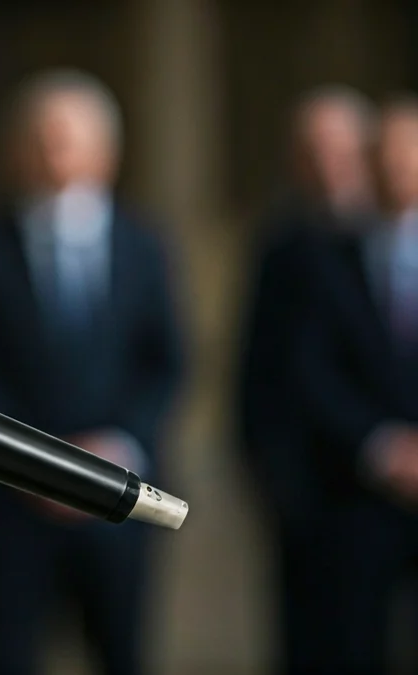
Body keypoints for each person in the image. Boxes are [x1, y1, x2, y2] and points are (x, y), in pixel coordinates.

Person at [0, 70, 184, 675]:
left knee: (120, 649)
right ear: (15, 152)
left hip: (120, 493)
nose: (55, 157)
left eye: (69, 141)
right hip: (12, 498)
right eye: (40, 141)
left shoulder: (145, 244)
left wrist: (116, 447)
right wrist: (31, 461)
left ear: (107, 153)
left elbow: (165, 362)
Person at [236, 86, 377, 675]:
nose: (326, 165)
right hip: (307, 490)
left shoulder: (389, 240)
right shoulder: (281, 247)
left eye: (340, 150)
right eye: (311, 152)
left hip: (383, 487)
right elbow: (263, 372)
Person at [292, 96, 418, 674]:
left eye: (409, 151)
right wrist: (382, 446)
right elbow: (313, 371)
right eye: (382, 153)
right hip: (356, 491)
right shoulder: (326, 258)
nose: (396, 165)